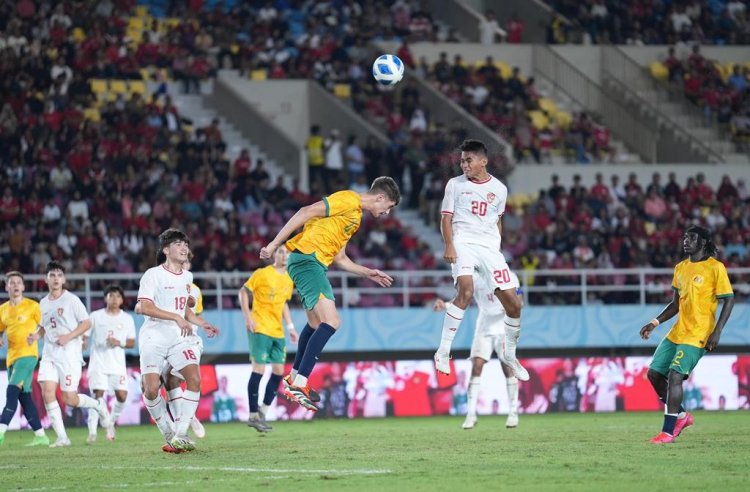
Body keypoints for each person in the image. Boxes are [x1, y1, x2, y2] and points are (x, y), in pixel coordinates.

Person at [259, 176, 401, 411]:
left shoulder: (354, 218)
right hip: (307, 260)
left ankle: (294, 378)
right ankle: (300, 383)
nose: (387, 213)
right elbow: (306, 211)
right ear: (380, 198)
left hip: (310, 262)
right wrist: (275, 244)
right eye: (388, 207)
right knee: (332, 321)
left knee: (316, 324)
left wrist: (368, 273)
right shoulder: (347, 199)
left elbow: (341, 258)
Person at [434, 139, 528, 382]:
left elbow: (498, 219)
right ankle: (443, 351)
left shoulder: (499, 189)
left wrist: (496, 247)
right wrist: (449, 244)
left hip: (490, 248)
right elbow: (446, 218)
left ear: (483, 161)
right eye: (462, 160)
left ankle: (511, 356)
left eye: (469, 160)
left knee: (514, 305)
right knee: (465, 291)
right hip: (463, 242)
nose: (464, 164)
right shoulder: (454, 185)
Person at [640, 226, 735, 444]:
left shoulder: (715, 268)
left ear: (703, 242)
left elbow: (729, 299)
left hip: (699, 333)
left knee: (675, 376)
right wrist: (654, 322)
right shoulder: (681, 268)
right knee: (654, 374)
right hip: (678, 331)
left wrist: (717, 331)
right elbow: (675, 304)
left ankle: (668, 432)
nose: (686, 240)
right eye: (685, 237)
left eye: (691, 237)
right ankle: (681, 416)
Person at [137, 229, 218, 452]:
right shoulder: (152, 275)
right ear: (165, 250)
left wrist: (202, 323)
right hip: (154, 336)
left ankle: (181, 434)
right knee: (151, 389)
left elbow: (184, 310)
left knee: (194, 379)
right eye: (178, 244)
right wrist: (176, 317)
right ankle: (168, 432)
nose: (184, 248)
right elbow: (144, 306)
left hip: (178, 336)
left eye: (186, 244)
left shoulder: (187, 277)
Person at [29, 261, 111, 447]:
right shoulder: (42, 303)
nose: (56, 278)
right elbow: (43, 327)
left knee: (69, 399)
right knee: (47, 392)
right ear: (46, 279)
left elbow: (86, 323)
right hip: (49, 354)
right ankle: (62, 437)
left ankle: (98, 406)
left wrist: (69, 336)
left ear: (64, 279)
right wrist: (35, 336)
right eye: (52, 275)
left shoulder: (71, 299)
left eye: (59, 275)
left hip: (69, 354)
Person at [434, 271, 522, 430]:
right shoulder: (476, 278)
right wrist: (446, 305)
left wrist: (513, 307)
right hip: (484, 327)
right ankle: (471, 414)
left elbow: (519, 298)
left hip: (503, 328)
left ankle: (513, 412)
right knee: (476, 366)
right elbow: (463, 297)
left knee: (508, 369)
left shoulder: (509, 275)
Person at [239, 246, 297, 432]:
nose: (284, 255)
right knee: (259, 369)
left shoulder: (289, 279)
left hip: (278, 332)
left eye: (288, 253)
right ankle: (253, 414)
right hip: (260, 328)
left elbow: (283, 304)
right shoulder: (262, 274)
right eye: (281, 252)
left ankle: (263, 412)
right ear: (274, 255)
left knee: (279, 372)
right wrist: (248, 318)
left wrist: (291, 328)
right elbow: (243, 292)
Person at [0, 271, 49, 446]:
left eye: (18, 282)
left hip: (28, 355)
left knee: (12, 390)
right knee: (24, 396)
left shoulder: (32, 306)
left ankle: (1, 430)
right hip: (11, 357)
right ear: (6, 287)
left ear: (23, 287)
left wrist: (37, 336)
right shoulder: (3, 310)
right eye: (11, 282)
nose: (15, 285)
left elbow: (45, 325)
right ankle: (41, 435)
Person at [85, 284, 136, 443]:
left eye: (117, 296)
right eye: (111, 295)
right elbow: (85, 335)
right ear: (105, 297)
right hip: (98, 364)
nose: (114, 299)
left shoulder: (127, 318)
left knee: (122, 396)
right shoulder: (95, 316)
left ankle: (110, 423)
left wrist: (118, 342)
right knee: (98, 395)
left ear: (122, 300)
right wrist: (83, 341)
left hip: (117, 365)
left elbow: (131, 343)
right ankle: (92, 430)